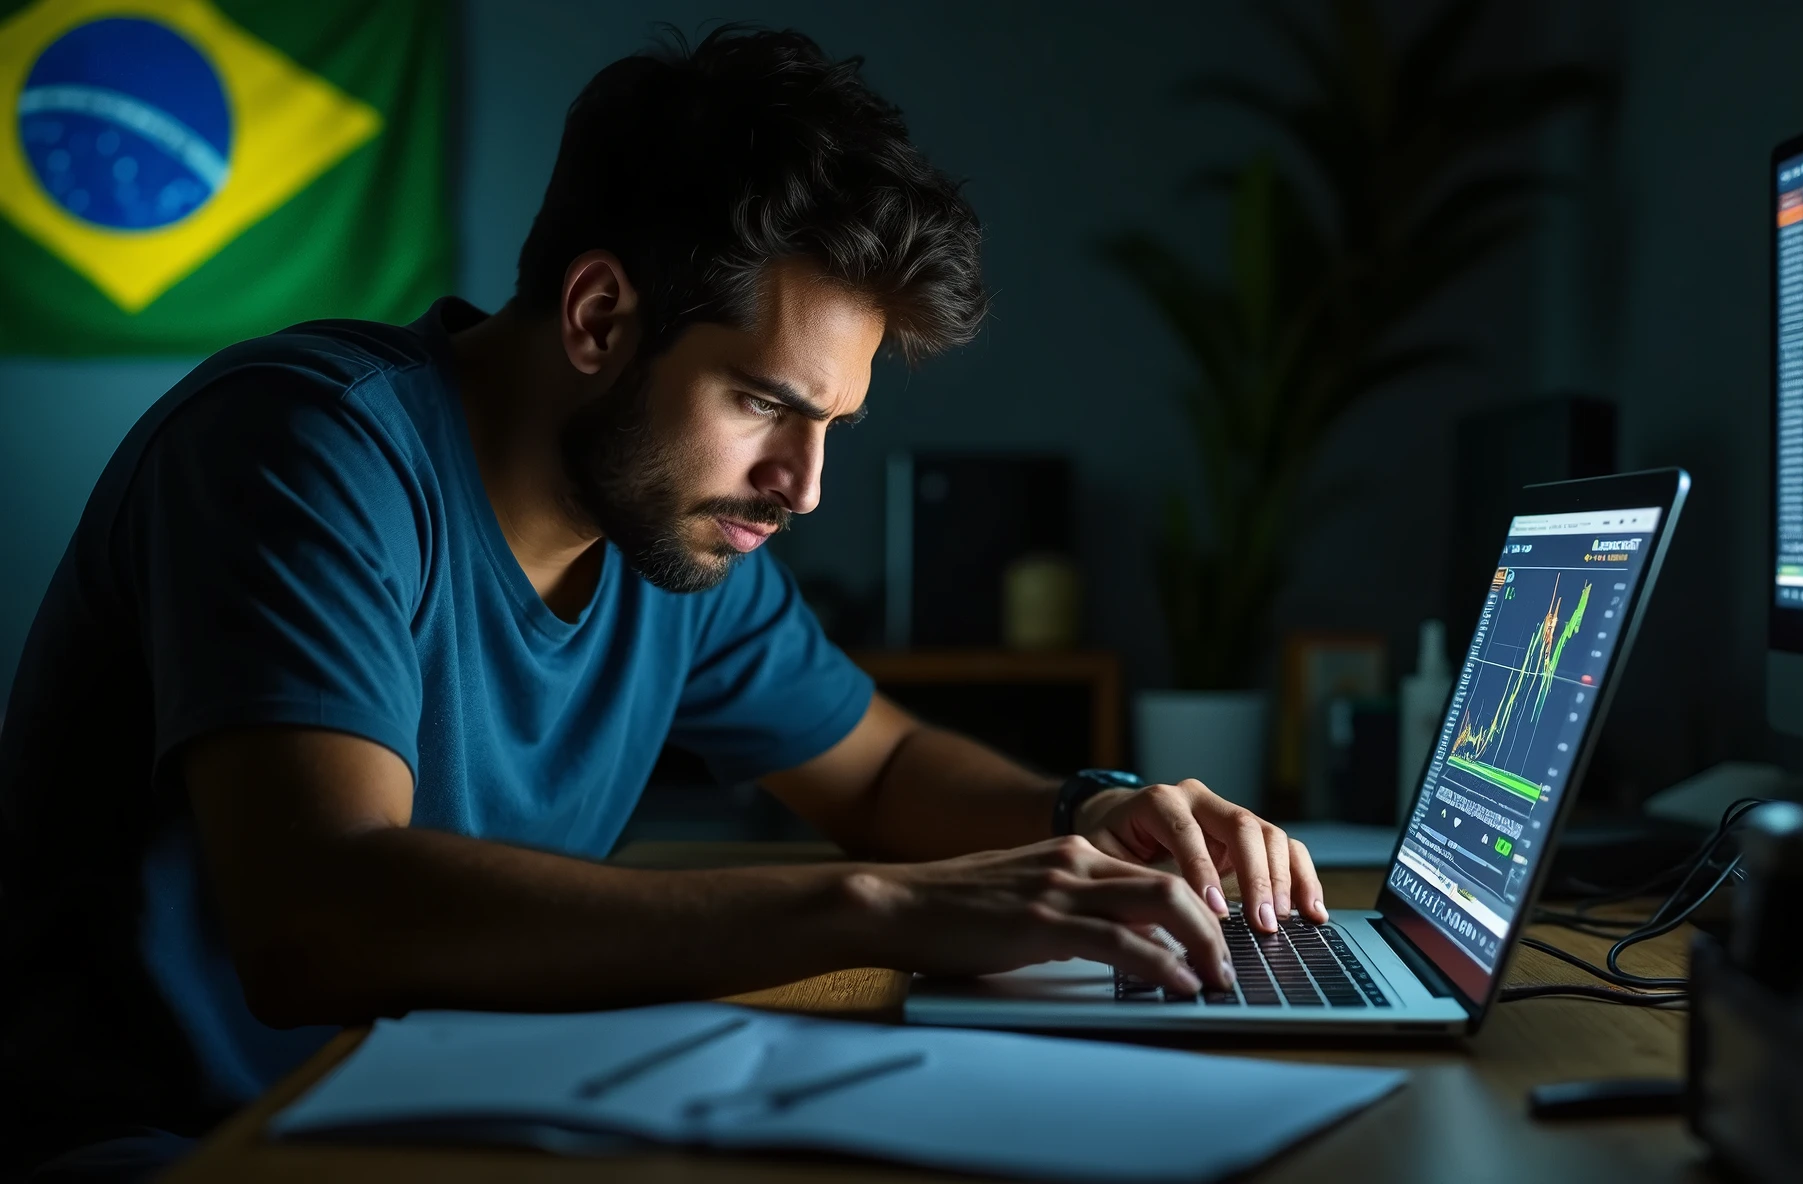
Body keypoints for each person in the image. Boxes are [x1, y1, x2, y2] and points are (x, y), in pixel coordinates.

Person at [0, 26, 1323, 1176]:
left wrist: (1093, 810)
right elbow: (321, 921)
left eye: (832, 426)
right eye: (765, 405)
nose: (803, 487)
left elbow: (883, 769)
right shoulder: (303, 451)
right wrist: (879, 905)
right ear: (596, 316)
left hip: (425, 1119)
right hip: (167, 1149)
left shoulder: (675, 532)